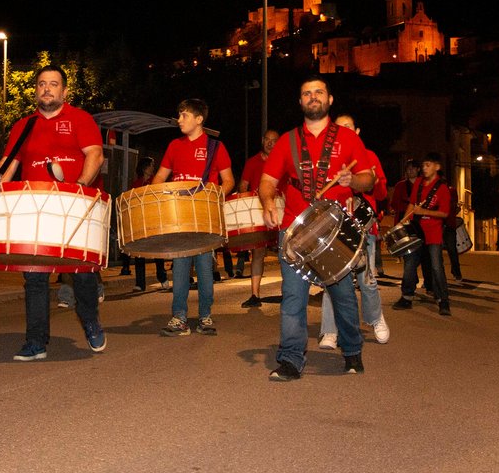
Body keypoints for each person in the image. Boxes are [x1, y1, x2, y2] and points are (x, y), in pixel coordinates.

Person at [260, 77, 375, 380]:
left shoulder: (348, 139)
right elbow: (268, 181)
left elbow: (368, 178)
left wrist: (354, 182)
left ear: (329, 99)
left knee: (343, 297)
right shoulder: (287, 140)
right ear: (300, 102)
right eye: (306, 94)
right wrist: (268, 202)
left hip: (334, 230)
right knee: (293, 297)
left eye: (318, 93)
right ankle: (291, 359)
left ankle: (352, 351)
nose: (313, 97)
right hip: (295, 231)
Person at [0, 64, 107, 361]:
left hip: (73, 205)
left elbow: (95, 155)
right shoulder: (24, 125)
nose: (47, 88)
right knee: (34, 276)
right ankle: (36, 341)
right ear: (36, 90)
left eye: (54, 84)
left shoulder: (79, 119)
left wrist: (80, 188)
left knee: (81, 274)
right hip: (33, 209)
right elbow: (8, 163)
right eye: (42, 83)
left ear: (64, 91)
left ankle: (91, 321)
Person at [154, 98, 234, 337]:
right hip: (179, 216)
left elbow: (228, 180)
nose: (179, 120)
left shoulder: (215, 147)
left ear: (199, 119)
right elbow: (159, 177)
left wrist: (213, 195)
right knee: (179, 267)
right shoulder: (174, 146)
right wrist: (159, 194)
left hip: (203, 216)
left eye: (184, 115)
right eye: (179, 115)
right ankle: (179, 318)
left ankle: (204, 316)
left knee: (204, 268)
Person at [318, 114, 390, 347]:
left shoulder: (368, 156)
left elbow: (381, 195)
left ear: (356, 131)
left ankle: (375, 318)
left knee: (366, 279)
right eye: (339, 128)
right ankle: (330, 330)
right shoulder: (327, 159)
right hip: (335, 228)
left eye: (348, 127)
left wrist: (373, 181)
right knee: (332, 279)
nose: (343, 131)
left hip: (363, 227)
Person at [392, 152, 452, 316]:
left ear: (437, 167)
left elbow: (444, 213)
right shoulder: (418, 183)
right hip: (416, 229)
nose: (424, 169)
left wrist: (424, 210)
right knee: (410, 263)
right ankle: (406, 296)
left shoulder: (442, 188)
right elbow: (412, 204)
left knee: (436, 266)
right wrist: (403, 221)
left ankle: (443, 300)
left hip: (433, 232)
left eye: (428, 165)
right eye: (424, 165)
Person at [238, 129, 280, 308]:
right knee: (258, 253)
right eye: (267, 140)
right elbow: (243, 185)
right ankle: (255, 294)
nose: (270, 143)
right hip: (257, 211)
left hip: (279, 210)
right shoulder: (252, 162)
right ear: (263, 141)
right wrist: (243, 193)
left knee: (287, 253)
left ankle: (290, 293)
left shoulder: (282, 161)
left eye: (274, 140)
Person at [128, 157, 169, 292]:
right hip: (141, 221)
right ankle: (140, 283)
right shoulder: (136, 184)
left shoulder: (155, 182)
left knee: (157, 251)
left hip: (155, 219)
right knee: (140, 252)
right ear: (145, 167)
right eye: (151, 165)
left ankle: (162, 277)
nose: (153, 168)